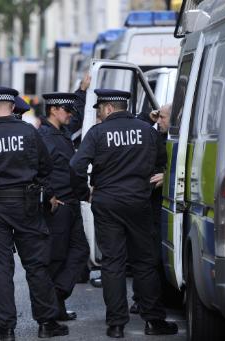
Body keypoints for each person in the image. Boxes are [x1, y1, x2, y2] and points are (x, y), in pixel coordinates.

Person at [0, 87, 68, 341]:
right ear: (11, 107)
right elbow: (46, 166)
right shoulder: (29, 132)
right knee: (36, 265)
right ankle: (47, 323)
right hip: (28, 205)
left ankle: (5, 327)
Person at [70, 89, 178, 338]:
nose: (99, 114)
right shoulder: (146, 132)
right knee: (144, 262)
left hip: (107, 202)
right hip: (138, 202)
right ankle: (153, 321)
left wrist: (85, 192)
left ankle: (116, 325)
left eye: (99, 109)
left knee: (112, 263)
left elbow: (76, 166)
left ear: (108, 108)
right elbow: (162, 162)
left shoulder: (97, 133)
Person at [38, 93, 90, 321]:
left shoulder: (61, 133)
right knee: (57, 258)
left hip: (72, 203)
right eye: (67, 111)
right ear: (54, 110)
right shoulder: (45, 136)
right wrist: (48, 196)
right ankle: (51, 305)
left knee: (79, 252)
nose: (70, 115)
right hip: (58, 206)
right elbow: (39, 169)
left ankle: (56, 297)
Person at [130, 103, 171, 315]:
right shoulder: (155, 133)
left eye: (163, 118)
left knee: (153, 256)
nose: (159, 121)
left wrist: (168, 176)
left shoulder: (174, 140)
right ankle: (142, 299)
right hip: (151, 204)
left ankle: (157, 299)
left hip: (164, 206)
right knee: (147, 255)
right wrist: (150, 117)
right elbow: (137, 130)